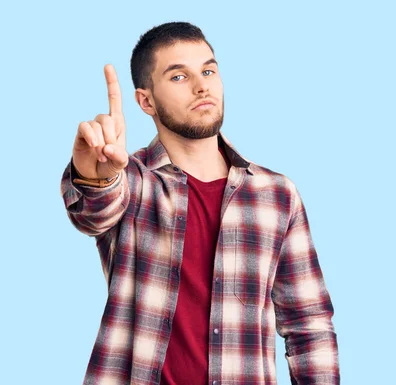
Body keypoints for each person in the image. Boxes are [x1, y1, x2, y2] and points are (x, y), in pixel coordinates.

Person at [60, 21, 339, 385]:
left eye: (208, 70)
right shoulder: (132, 181)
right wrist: (95, 174)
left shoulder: (277, 195)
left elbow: (309, 324)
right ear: (146, 101)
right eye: (178, 77)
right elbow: (94, 211)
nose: (201, 85)